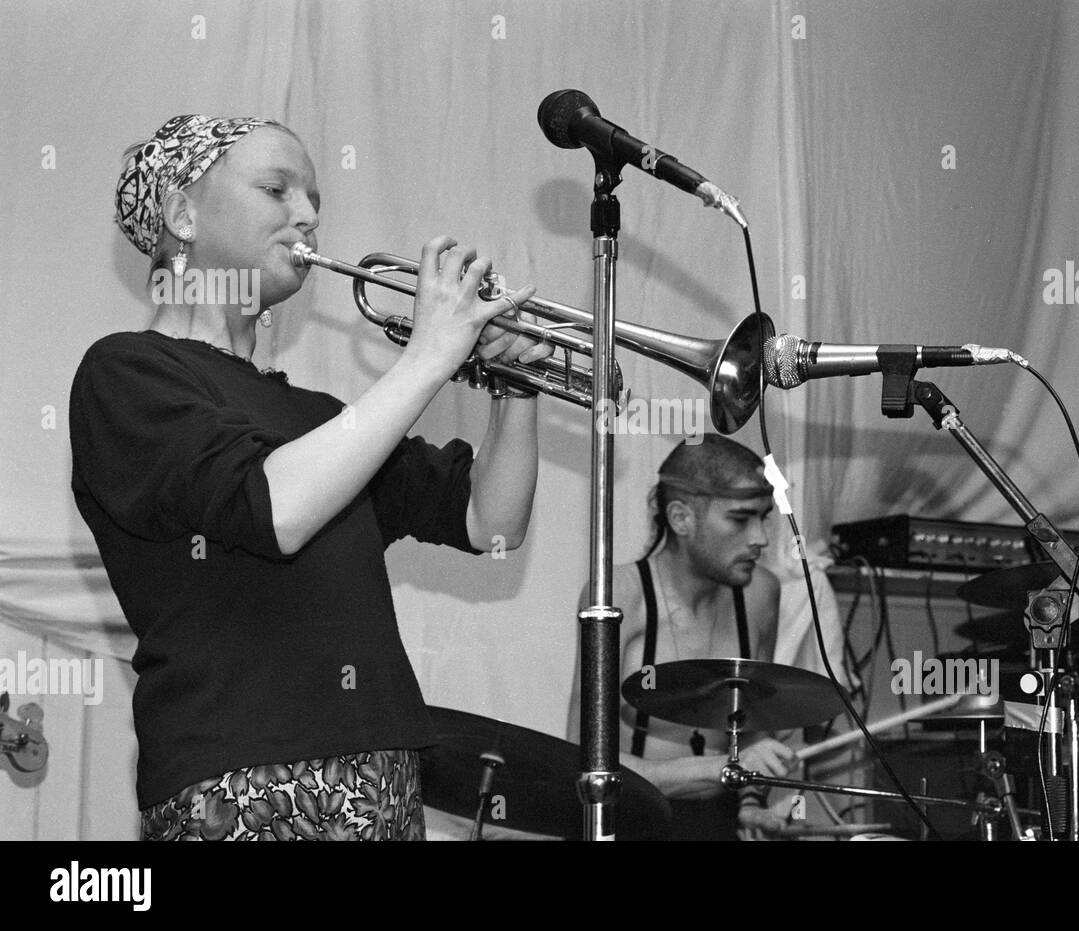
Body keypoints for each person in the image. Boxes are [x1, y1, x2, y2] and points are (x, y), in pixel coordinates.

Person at [70, 114, 550, 841]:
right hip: (244, 777)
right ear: (182, 213)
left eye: (316, 200)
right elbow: (276, 507)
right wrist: (427, 358)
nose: (308, 216)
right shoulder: (126, 372)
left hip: (383, 777)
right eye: (276, 189)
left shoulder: (323, 418)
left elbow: (493, 521)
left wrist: (518, 384)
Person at [567, 434, 799, 840]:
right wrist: (721, 768)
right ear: (681, 518)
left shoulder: (762, 594)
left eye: (765, 517)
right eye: (742, 519)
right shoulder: (619, 594)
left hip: (717, 821)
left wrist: (749, 804)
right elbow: (584, 761)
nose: (761, 538)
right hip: (629, 820)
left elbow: (754, 729)